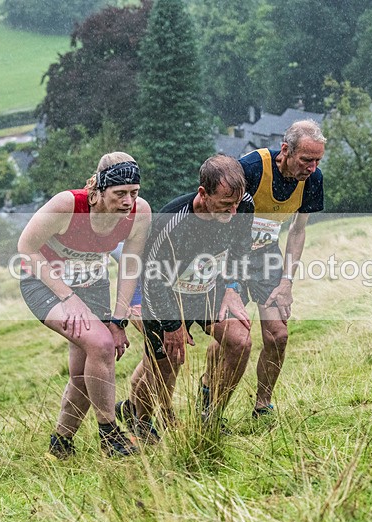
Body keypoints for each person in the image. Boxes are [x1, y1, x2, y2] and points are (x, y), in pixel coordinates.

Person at [17, 152, 151, 459]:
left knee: (83, 372)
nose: (128, 201)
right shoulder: (68, 205)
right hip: (45, 284)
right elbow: (26, 247)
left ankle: (60, 444)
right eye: (120, 193)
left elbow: (130, 265)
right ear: (99, 190)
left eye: (134, 192)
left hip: (93, 285)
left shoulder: (140, 212)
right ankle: (110, 435)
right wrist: (68, 297)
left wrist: (119, 320)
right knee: (101, 345)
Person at [116, 154, 254, 440]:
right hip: (166, 296)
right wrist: (172, 326)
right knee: (166, 365)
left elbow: (241, 247)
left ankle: (211, 416)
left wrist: (233, 287)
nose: (233, 212)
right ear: (203, 193)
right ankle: (142, 423)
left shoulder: (243, 205)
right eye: (225, 205)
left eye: (236, 204)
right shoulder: (172, 221)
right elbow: (153, 281)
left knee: (241, 342)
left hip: (208, 289)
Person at [203, 119, 325, 419]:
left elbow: (297, 230)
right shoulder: (251, 168)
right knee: (232, 337)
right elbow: (217, 210)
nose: (311, 167)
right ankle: (209, 393)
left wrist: (287, 282)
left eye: (317, 161)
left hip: (266, 258)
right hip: (229, 258)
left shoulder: (313, 180)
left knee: (278, 335)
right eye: (306, 160)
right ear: (285, 150)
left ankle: (262, 405)